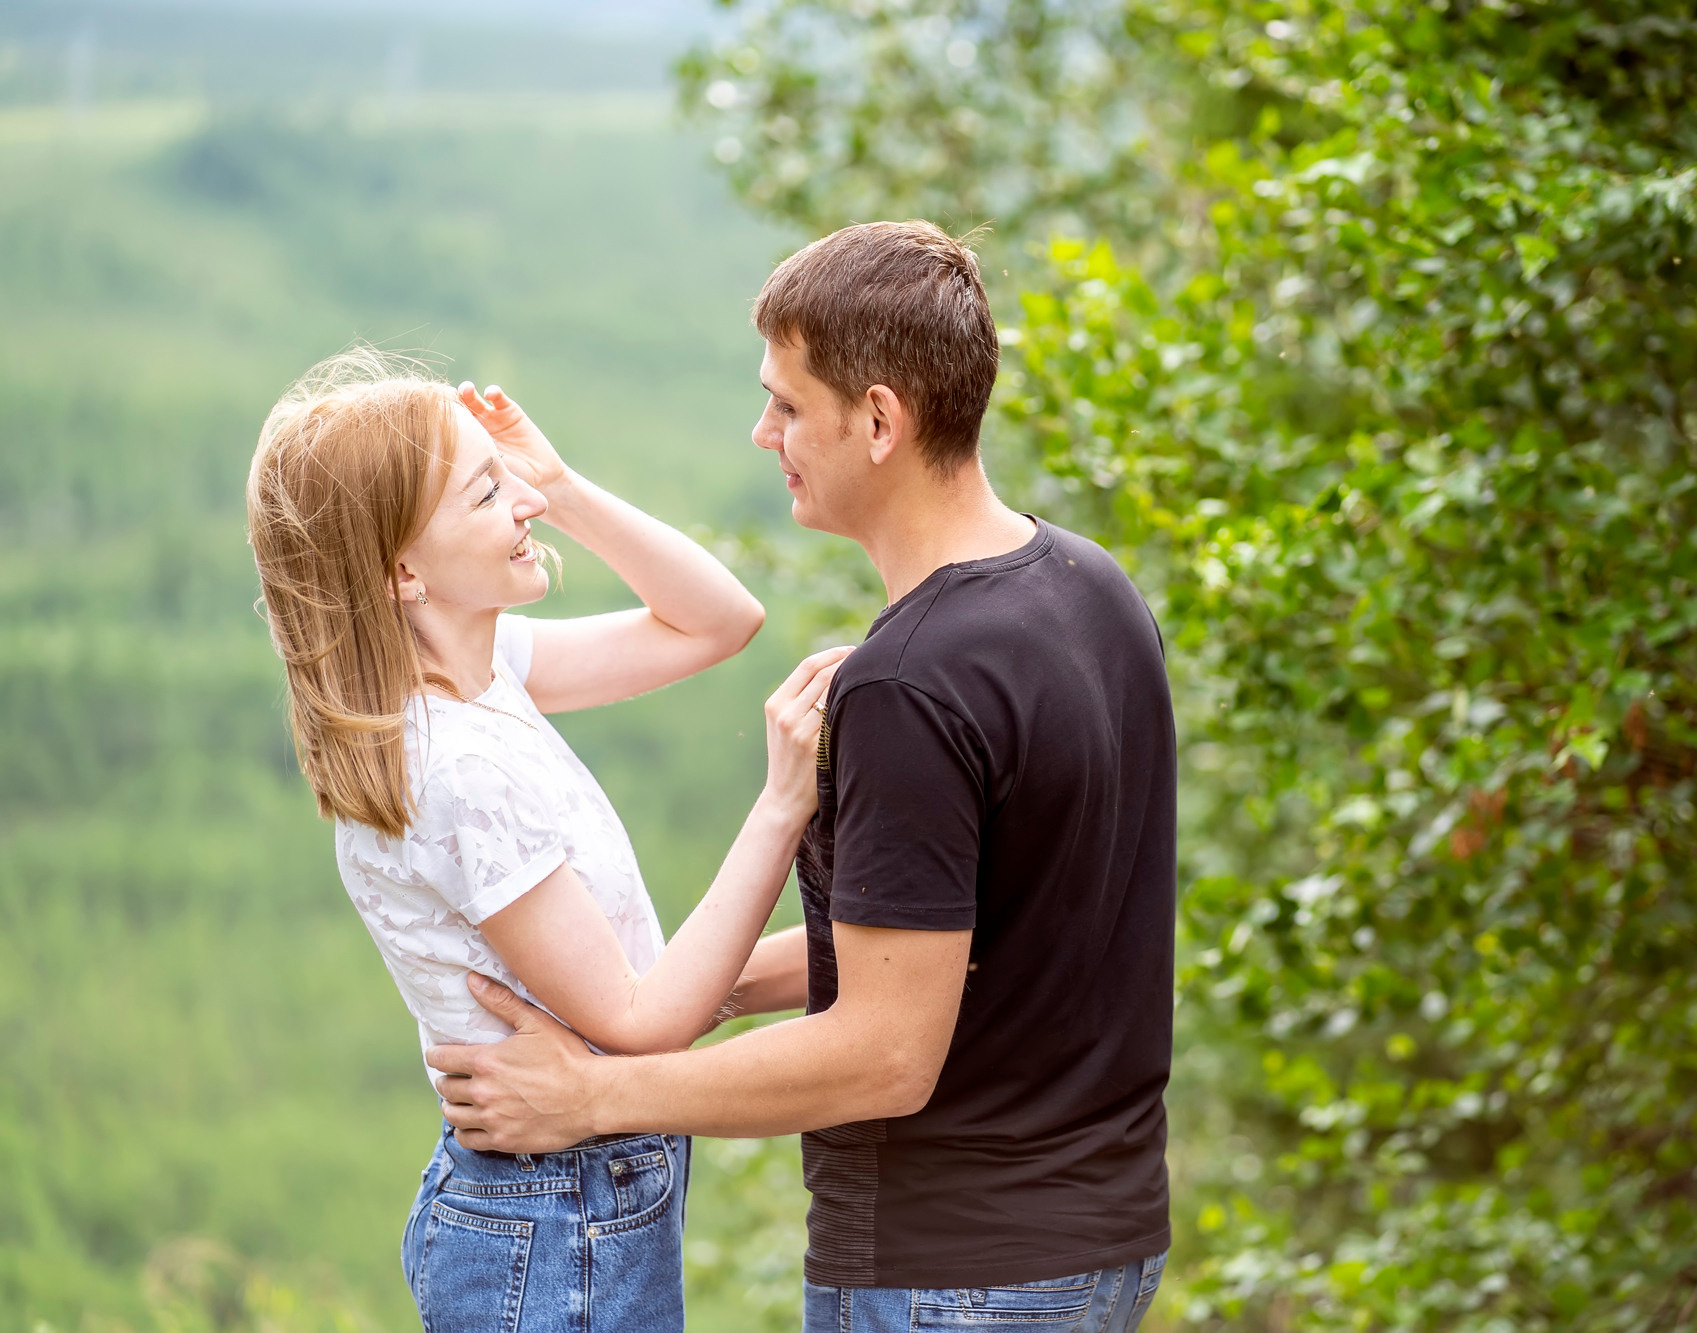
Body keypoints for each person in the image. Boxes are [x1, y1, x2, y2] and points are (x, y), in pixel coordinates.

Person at [427, 221, 1178, 1333]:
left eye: (786, 404)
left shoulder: (908, 684)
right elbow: (970, 933)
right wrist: (697, 988)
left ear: (878, 419)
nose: (761, 430)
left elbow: (880, 1055)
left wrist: (593, 1096)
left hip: (949, 1275)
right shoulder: (1086, 586)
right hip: (1095, 1246)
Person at [245, 348, 847, 1332]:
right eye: (487, 493)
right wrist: (783, 803)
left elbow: (717, 621)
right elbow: (641, 1019)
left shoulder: (484, 675)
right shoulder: (455, 767)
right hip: (553, 1212)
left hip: (570, 1194)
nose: (519, 500)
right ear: (403, 570)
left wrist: (563, 488)